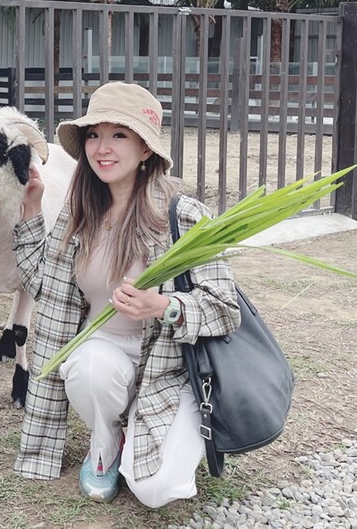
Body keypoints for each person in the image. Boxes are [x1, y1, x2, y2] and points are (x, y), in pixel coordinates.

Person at [12, 82, 240, 507]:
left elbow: (225, 309)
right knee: (86, 367)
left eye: (119, 135)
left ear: (145, 148)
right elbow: (43, 286)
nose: (102, 148)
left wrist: (165, 306)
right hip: (104, 355)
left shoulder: (182, 215)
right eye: (94, 135)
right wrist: (30, 210)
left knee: (156, 491)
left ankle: (149, 425)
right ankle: (107, 444)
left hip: (169, 368)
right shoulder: (80, 212)